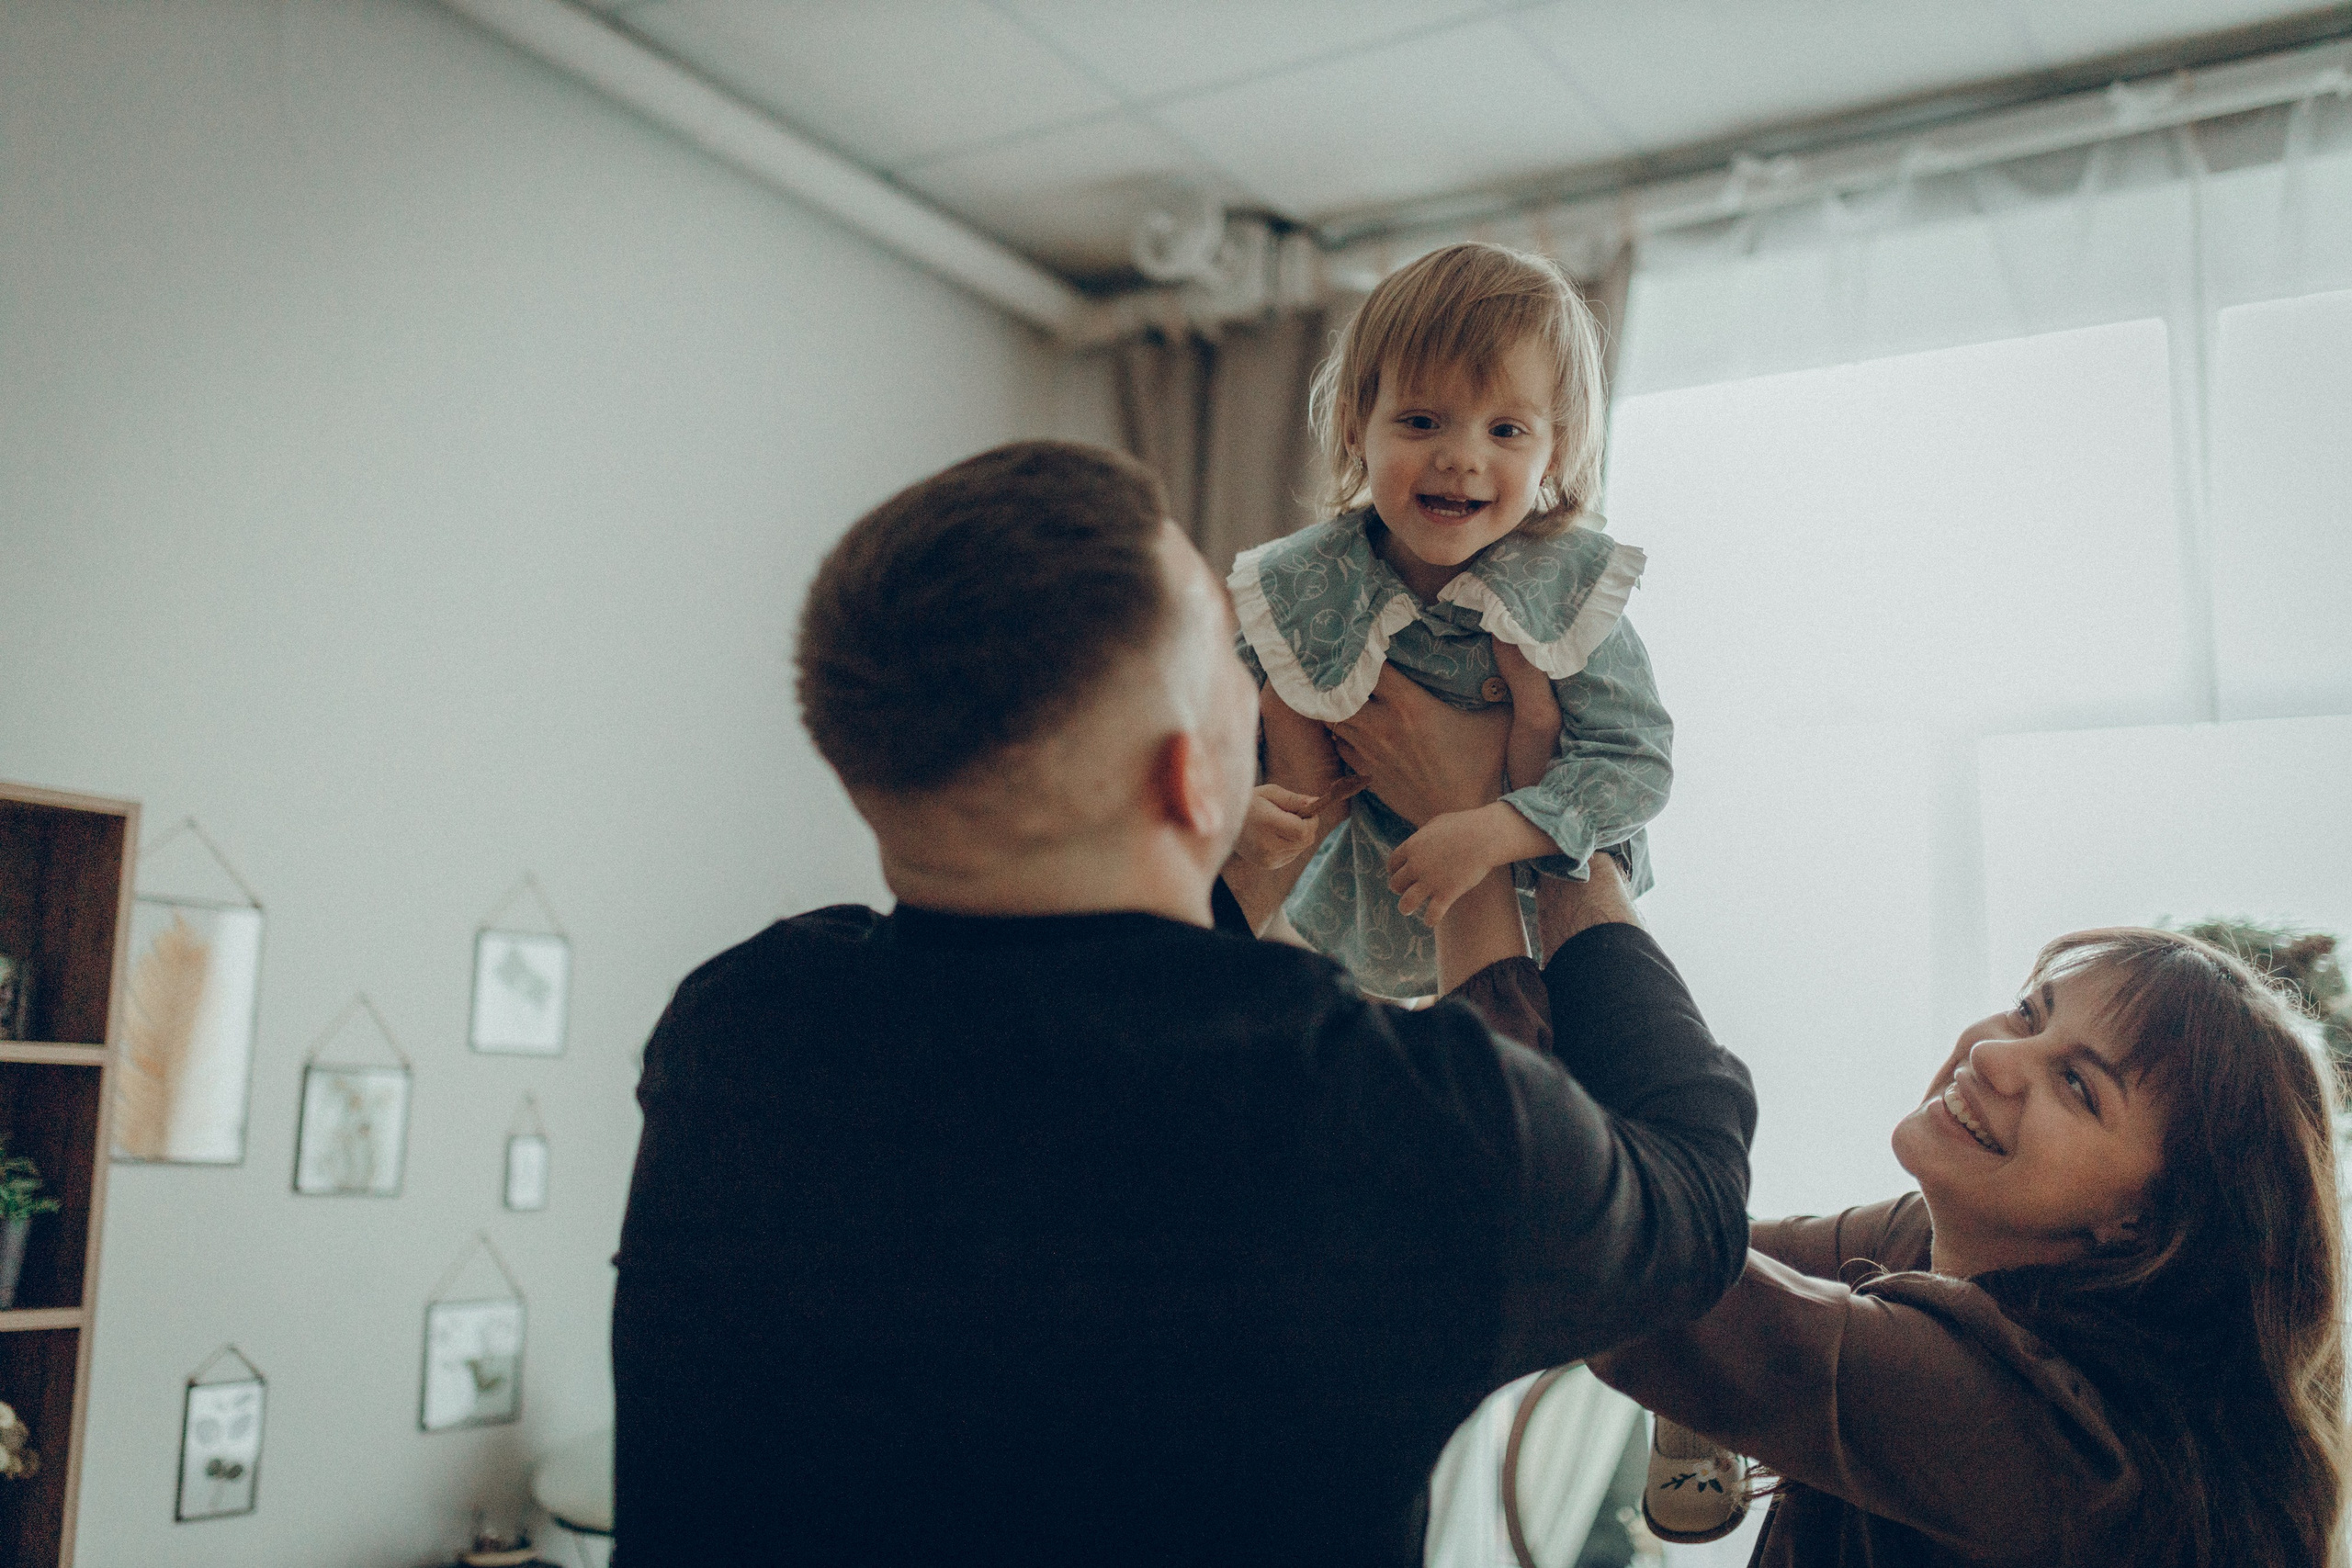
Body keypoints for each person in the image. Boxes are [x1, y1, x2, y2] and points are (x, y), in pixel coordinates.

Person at [608, 440, 1755, 1566]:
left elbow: (1078, 1050)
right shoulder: (1368, 1119)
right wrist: (1538, 823)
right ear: (1191, 772)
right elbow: (1693, 1200)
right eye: (1231, 650)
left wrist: (1248, 858)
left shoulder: (740, 1036)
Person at [1589, 927, 2347, 1565]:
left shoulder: (2056, 1445)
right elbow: (1684, 1230)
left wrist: (1573, 845)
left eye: (2078, 1085)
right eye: (2028, 1013)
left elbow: (1633, 1267)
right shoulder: (1937, 1237)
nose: (1992, 1056)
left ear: (2144, 1224)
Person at [1232, 241, 1671, 997]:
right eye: (1422, 421)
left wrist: (1491, 831)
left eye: (1506, 430)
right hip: (1355, 928)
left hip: (1540, 935)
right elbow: (1220, 719)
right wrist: (1238, 803)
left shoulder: (1569, 589)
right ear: (1353, 427)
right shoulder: (1310, 581)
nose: (1461, 457)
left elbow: (1636, 764)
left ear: (1555, 453)